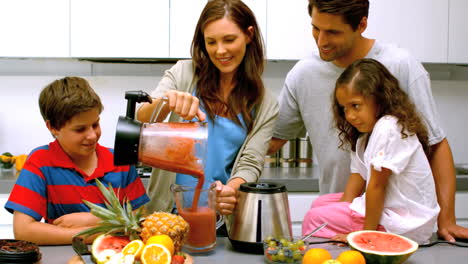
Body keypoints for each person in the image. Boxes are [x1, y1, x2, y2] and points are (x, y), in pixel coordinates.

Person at [268, 0, 468, 242]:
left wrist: (447, 219)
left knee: (316, 221)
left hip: (389, 218)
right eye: (315, 28)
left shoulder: (400, 66)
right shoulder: (302, 74)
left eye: (332, 32)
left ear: (361, 24)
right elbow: (272, 141)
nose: (321, 41)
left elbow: (435, 145)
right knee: (320, 209)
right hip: (346, 215)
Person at [137, 0, 278, 215]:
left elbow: (250, 163)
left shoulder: (265, 103)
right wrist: (166, 101)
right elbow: (143, 117)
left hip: (218, 216)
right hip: (167, 214)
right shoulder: (184, 73)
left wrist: (229, 191)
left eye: (229, 40)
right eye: (211, 42)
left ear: (249, 35)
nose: (220, 51)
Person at [302, 59, 440, 244]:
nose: (349, 116)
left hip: (406, 224)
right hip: (392, 209)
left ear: (380, 98)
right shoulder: (365, 136)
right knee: (320, 205)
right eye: (344, 108)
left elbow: (376, 187)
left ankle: (357, 243)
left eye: (356, 105)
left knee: (314, 218)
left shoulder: (388, 128)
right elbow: (355, 185)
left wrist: (365, 237)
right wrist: (339, 213)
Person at [4, 77, 149, 245]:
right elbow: (23, 231)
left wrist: (93, 220)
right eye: (80, 129)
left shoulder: (120, 162)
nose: (92, 135)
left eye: (95, 124)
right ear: (53, 127)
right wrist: (95, 234)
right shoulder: (40, 161)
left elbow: (141, 224)